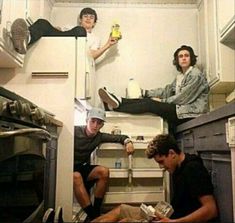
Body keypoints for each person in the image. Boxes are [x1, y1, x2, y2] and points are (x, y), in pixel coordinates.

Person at [91, 134, 218, 223]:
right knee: (121, 209)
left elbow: (211, 210)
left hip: (177, 220)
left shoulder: (193, 169)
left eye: (162, 162)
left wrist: (174, 221)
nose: (161, 167)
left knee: (125, 221)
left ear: (172, 153)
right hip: (170, 217)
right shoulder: (177, 167)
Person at [98, 45, 210, 131]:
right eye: (181, 56)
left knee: (150, 104)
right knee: (148, 102)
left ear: (191, 58)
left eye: (186, 56)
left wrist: (161, 101)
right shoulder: (180, 77)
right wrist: (146, 93)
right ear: (177, 60)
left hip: (190, 114)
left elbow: (183, 98)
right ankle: (118, 102)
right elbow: (166, 91)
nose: (184, 58)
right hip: (180, 111)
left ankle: (116, 105)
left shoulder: (195, 74)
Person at [73, 107, 134, 220]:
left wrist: (128, 142)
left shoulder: (99, 136)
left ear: (102, 125)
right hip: (66, 167)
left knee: (104, 171)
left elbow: (119, 137)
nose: (95, 125)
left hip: (82, 167)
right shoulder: (75, 131)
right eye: (93, 121)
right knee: (76, 176)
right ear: (87, 120)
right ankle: (93, 216)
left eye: (99, 123)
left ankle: (96, 210)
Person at [10, 7, 118, 57]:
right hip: (60, 41)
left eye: (91, 17)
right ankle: (25, 40)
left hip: (73, 51)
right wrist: (52, 28)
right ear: (80, 19)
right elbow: (57, 31)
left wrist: (108, 44)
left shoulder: (95, 38)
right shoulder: (69, 27)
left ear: (94, 22)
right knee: (42, 22)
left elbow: (92, 55)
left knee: (80, 31)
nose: (88, 19)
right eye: (85, 16)